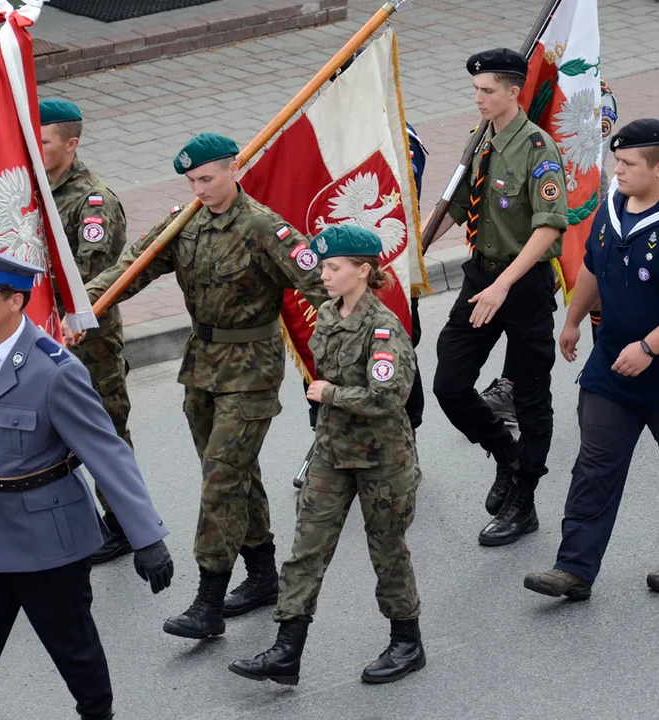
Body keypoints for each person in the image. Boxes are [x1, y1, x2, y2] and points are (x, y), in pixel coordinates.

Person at [80, 133, 330, 638]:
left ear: (234, 168)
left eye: (208, 178)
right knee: (235, 474)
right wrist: (84, 305)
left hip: (251, 368)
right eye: (192, 181)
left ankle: (208, 598)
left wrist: (354, 349)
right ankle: (262, 574)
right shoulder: (186, 219)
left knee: (221, 477)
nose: (200, 189)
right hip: (201, 367)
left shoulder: (264, 228)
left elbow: (323, 289)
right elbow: (136, 266)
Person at [0, 245, 173, 720]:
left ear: (15, 301)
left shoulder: (55, 371)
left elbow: (108, 454)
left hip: (50, 540)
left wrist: (148, 538)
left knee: (73, 650)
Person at [523, 119, 659, 600]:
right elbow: (595, 265)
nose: (616, 170)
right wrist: (573, 319)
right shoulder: (612, 207)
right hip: (614, 371)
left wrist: (650, 347)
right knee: (594, 467)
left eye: (627, 163)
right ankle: (573, 568)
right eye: (616, 161)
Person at [229, 225, 422, 686]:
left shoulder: (383, 328)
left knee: (387, 551)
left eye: (335, 268)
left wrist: (330, 393)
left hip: (381, 460)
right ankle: (286, 650)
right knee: (305, 551)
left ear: (363, 270)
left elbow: (388, 397)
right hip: (332, 454)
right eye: (325, 267)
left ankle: (407, 642)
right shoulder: (328, 313)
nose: (325, 275)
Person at [425, 48, 567, 546]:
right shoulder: (478, 141)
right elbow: (459, 205)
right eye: (475, 91)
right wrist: (415, 252)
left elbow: (549, 227)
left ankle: (524, 501)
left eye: (487, 90)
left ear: (513, 91)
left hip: (522, 284)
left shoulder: (537, 149)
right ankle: (506, 455)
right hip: (480, 275)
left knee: (531, 397)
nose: (479, 98)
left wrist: (504, 285)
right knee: (450, 382)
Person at [298, 49, 427, 461]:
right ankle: (326, 431)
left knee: (392, 346)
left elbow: (403, 196)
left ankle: (402, 431)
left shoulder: (395, 136)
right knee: (327, 348)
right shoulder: (324, 133)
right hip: (335, 273)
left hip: (380, 271)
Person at [480, 78, 619, 425]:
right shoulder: (532, 72)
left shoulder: (589, 84)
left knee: (594, 286)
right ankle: (514, 387)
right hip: (530, 201)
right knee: (528, 303)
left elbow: (593, 134)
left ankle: (610, 369)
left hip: (576, 193)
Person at [40, 97, 137, 564]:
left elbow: (89, 278)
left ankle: (125, 525)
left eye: (43, 141)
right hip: (40, 330)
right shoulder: (34, 189)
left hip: (88, 340)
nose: (34, 149)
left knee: (106, 430)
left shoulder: (94, 202)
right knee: (43, 429)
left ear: (71, 144)